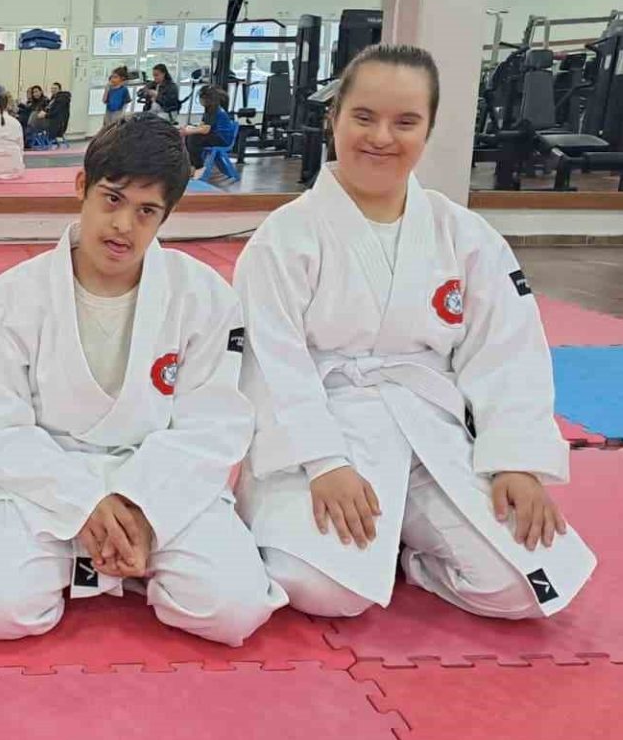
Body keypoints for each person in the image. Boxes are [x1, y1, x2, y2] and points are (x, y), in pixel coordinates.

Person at [234, 44, 597, 622]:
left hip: (431, 432)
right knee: (322, 589)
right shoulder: (285, 238)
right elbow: (271, 362)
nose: (381, 137)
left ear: (428, 130)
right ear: (334, 119)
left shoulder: (465, 236)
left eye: (405, 122)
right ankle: (374, 536)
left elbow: (508, 351)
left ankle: (411, 555)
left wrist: (515, 460)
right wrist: (325, 463)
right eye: (364, 117)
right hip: (326, 428)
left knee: (525, 587)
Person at [0, 114, 283, 646]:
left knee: (233, 607)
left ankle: (112, 555)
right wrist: (83, 503)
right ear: (82, 186)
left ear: (166, 215)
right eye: (113, 199)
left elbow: (211, 424)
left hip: (160, 480)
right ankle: (116, 565)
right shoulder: (5, 301)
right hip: (44, 482)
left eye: (146, 211)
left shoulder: (205, 298)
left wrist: (141, 507)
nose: (123, 225)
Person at [182, 85, 239, 186]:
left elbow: (205, 130)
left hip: (222, 139)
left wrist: (190, 131)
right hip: (216, 135)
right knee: (190, 136)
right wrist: (190, 128)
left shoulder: (214, 110)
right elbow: (202, 126)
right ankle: (192, 165)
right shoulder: (209, 109)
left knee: (193, 138)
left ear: (206, 99)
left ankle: (198, 167)